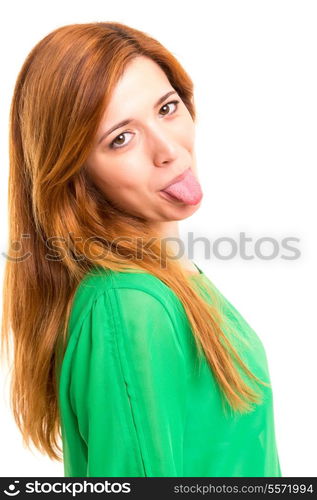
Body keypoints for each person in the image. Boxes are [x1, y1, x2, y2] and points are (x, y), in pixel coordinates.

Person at [1, 21, 281, 477]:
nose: (168, 149)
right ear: (78, 175)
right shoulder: (129, 305)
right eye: (121, 138)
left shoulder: (169, 284)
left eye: (167, 108)